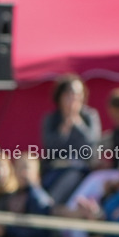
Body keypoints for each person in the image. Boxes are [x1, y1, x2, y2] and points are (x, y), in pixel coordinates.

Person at [41, 73, 101, 203]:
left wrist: (78, 124)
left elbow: (92, 146)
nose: (74, 99)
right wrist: (64, 129)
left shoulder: (89, 116)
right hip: (55, 169)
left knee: (69, 179)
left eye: (78, 94)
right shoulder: (52, 119)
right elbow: (50, 148)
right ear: (60, 97)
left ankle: (52, 207)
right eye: (69, 94)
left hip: (81, 170)